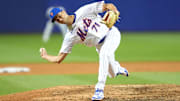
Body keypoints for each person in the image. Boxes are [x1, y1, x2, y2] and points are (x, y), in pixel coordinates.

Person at [40, 0, 129, 100]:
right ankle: (117, 68)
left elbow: (108, 6)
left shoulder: (84, 11)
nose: (59, 19)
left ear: (63, 11)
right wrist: (46, 56)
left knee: (104, 54)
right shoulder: (69, 37)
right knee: (112, 74)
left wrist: (115, 11)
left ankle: (99, 89)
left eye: (59, 15)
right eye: (57, 19)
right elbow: (59, 59)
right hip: (100, 46)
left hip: (111, 35)